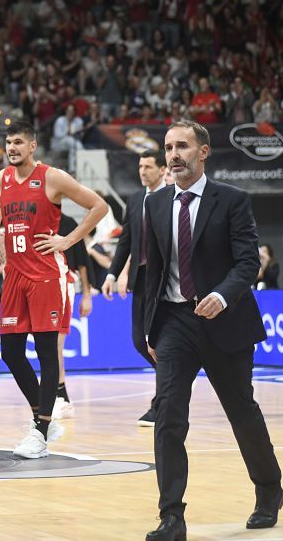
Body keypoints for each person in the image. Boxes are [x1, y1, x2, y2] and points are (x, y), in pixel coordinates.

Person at [142, 121, 283, 539]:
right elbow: (153, 273)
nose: (173, 154)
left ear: (203, 152)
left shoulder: (233, 199)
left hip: (224, 318)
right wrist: (148, 330)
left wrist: (222, 296)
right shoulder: (156, 204)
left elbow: (247, 262)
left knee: (242, 412)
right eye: (168, 147)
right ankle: (171, 516)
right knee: (168, 416)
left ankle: (268, 488)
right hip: (173, 323)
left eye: (182, 146)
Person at [0, 119, 107, 459]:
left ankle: (39, 432)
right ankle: (46, 418)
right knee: (10, 352)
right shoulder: (1, 179)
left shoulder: (52, 177)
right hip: (14, 277)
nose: (12, 148)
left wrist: (67, 240)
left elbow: (99, 206)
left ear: (33, 145)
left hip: (44, 276)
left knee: (46, 353)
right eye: (9, 142)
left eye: (19, 142)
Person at [102, 149, 167, 427]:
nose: (142, 171)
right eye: (140, 166)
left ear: (162, 170)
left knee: (157, 343)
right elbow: (126, 241)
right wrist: (113, 273)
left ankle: (161, 402)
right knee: (140, 341)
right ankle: (172, 384)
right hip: (141, 277)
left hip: (164, 278)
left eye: (148, 166)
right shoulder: (136, 199)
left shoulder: (173, 196)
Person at [52, 213, 93, 419]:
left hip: (62, 283)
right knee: (47, 343)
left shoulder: (67, 222)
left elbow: (83, 260)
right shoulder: (33, 215)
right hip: (39, 284)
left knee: (56, 342)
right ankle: (55, 395)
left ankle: (62, 397)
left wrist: (86, 294)